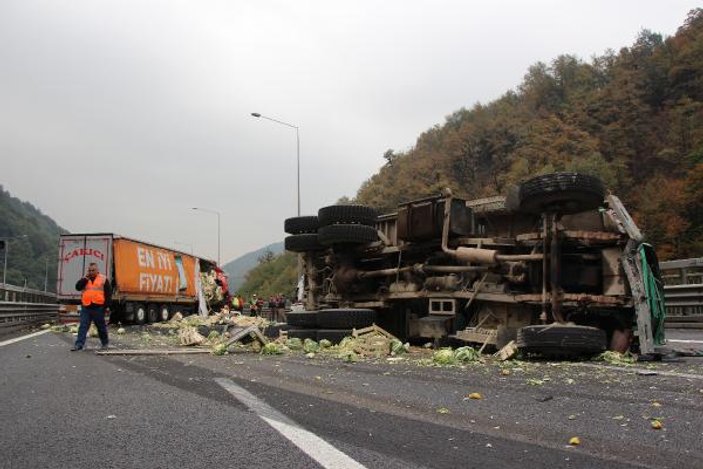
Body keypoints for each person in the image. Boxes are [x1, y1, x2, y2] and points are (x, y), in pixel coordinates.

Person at [71, 262, 112, 351]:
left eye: (93, 270)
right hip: (86, 306)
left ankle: (105, 343)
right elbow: (78, 287)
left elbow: (108, 294)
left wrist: (105, 307)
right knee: (83, 326)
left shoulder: (103, 279)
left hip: (98, 307)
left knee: (101, 327)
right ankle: (79, 344)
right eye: (89, 270)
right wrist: (85, 279)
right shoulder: (85, 279)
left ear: (97, 271)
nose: (91, 272)